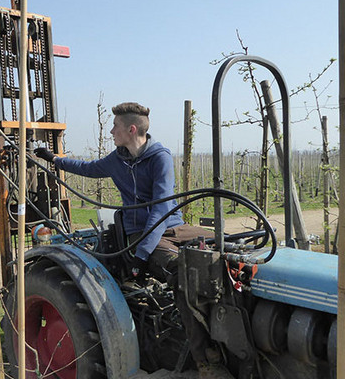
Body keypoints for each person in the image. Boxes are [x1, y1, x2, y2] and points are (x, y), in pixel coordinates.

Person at [34, 102, 232, 379]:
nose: (111, 131)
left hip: (171, 226)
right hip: (140, 234)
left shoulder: (159, 158)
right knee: (184, 272)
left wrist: (144, 252)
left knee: (230, 247)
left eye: (115, 126)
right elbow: (87, 168)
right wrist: (53, 159)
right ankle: (206, 360)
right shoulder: (117, 159)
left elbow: (161, 209)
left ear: (131, 129)